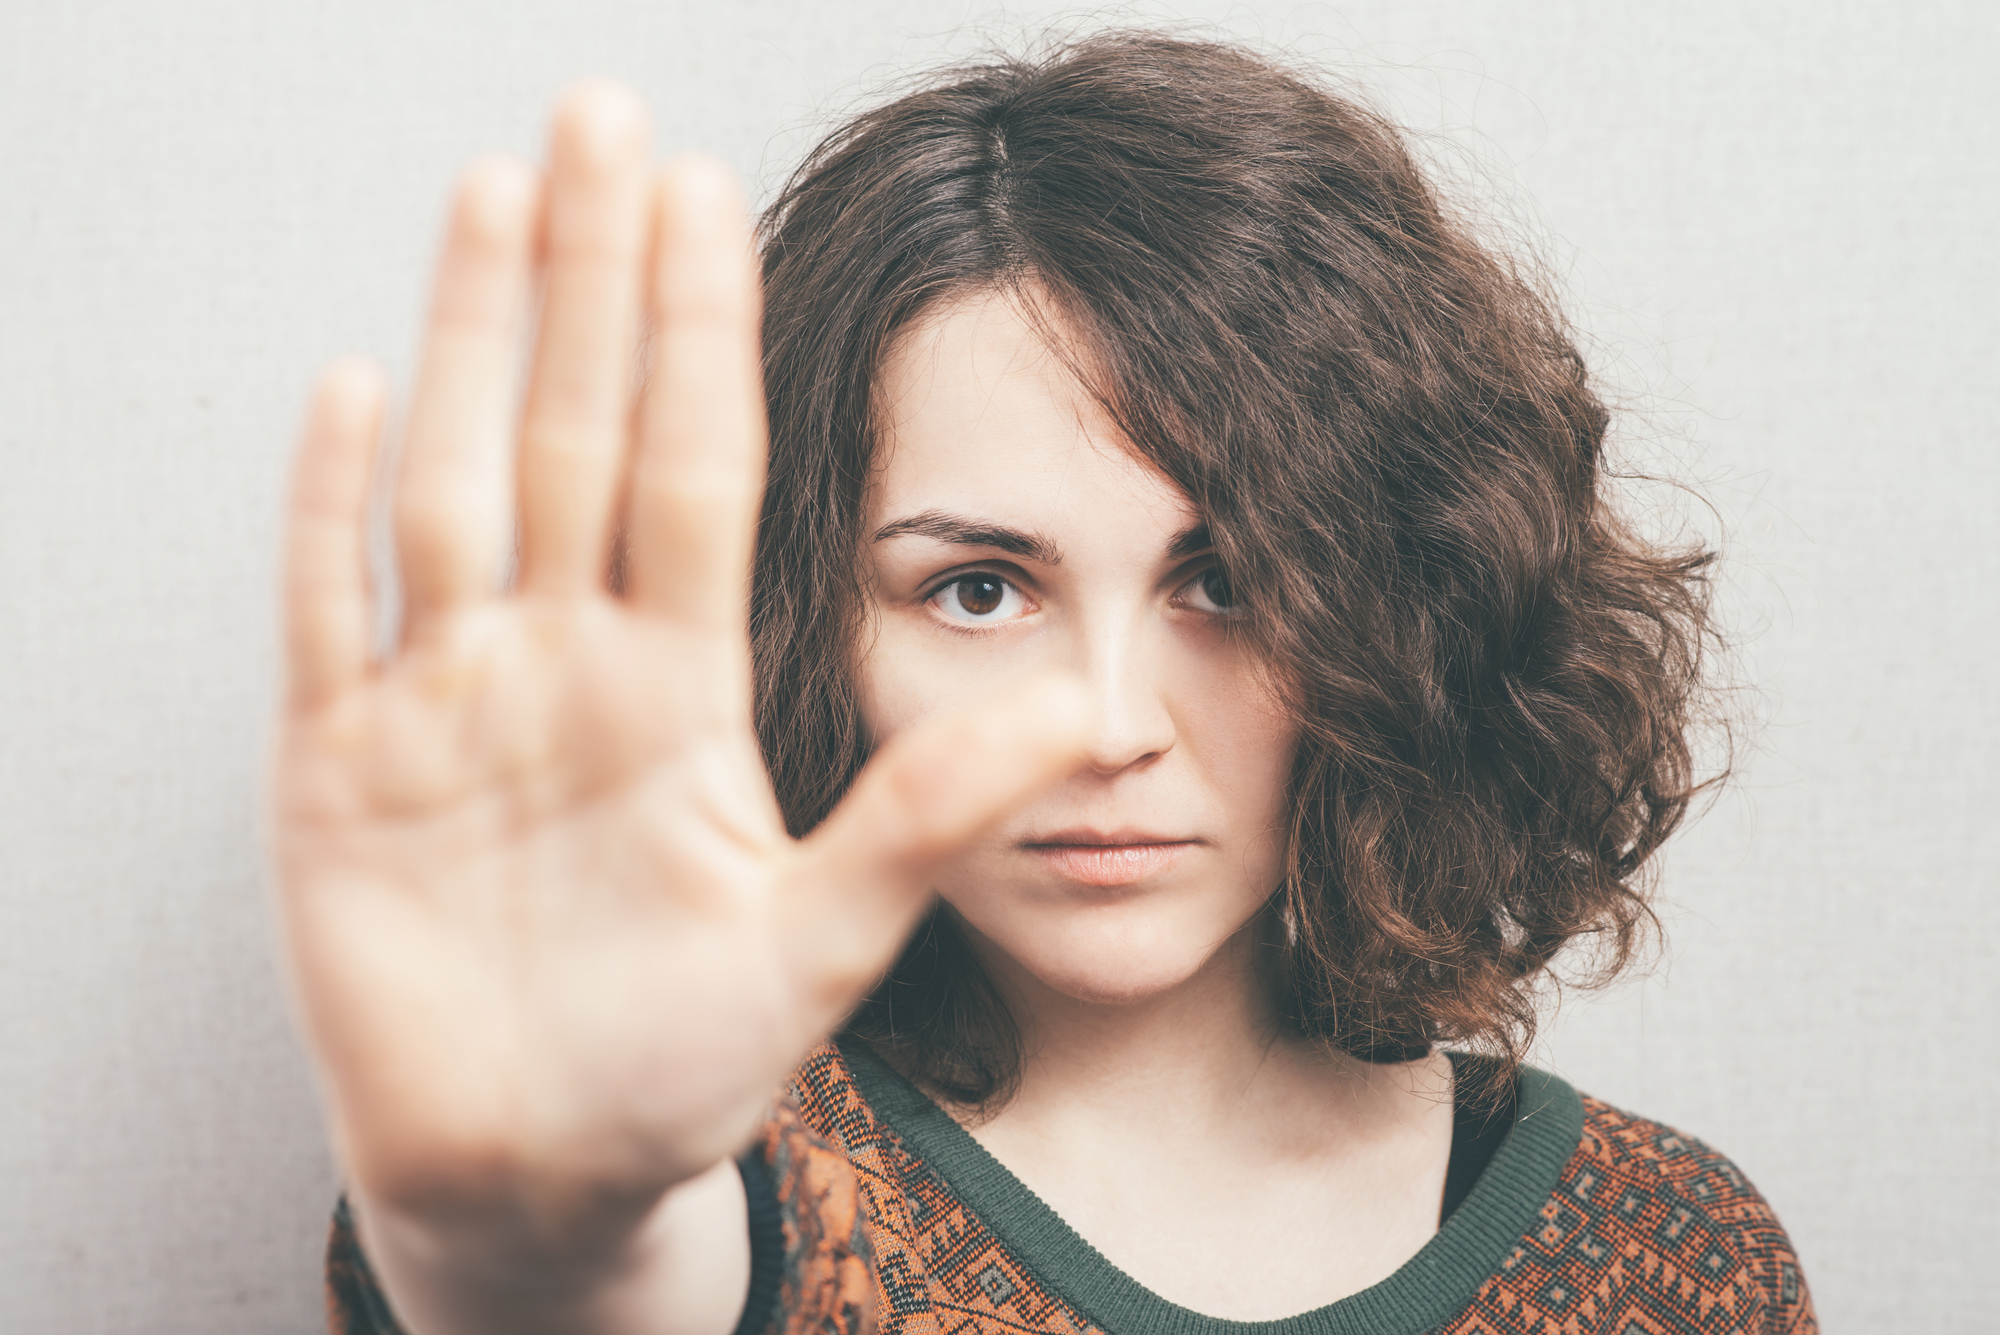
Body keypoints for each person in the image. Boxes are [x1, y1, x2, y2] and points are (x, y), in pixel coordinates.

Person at [279, 32, 1816, 1335]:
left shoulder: (1667, 1251)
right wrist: (535, 1246)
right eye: (980, 589)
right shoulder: (721, 1191)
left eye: (1225, 584)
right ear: (808, 631)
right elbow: (614, 1271)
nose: (1107, 723)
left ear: (1408, 605)